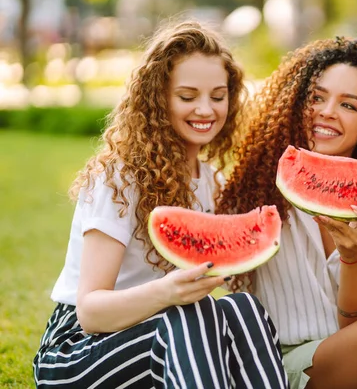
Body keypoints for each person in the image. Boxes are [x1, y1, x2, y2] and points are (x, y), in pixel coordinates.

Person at [33, 20, 288, 389]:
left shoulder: (212, 182)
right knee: (185, 315)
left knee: (241, 307)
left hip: (165, 336)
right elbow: (90, 312)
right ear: (158, 98)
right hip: (77, 351)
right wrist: (167, 292)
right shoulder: (119, 178)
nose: (206, 109)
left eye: (218, 96)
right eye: (187, 96)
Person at [217, 37, 357, 389]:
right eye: (317, 97)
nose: (327, 111)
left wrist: (353, 258)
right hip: (279, 366)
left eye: (348, 105)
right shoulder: (255, 190)